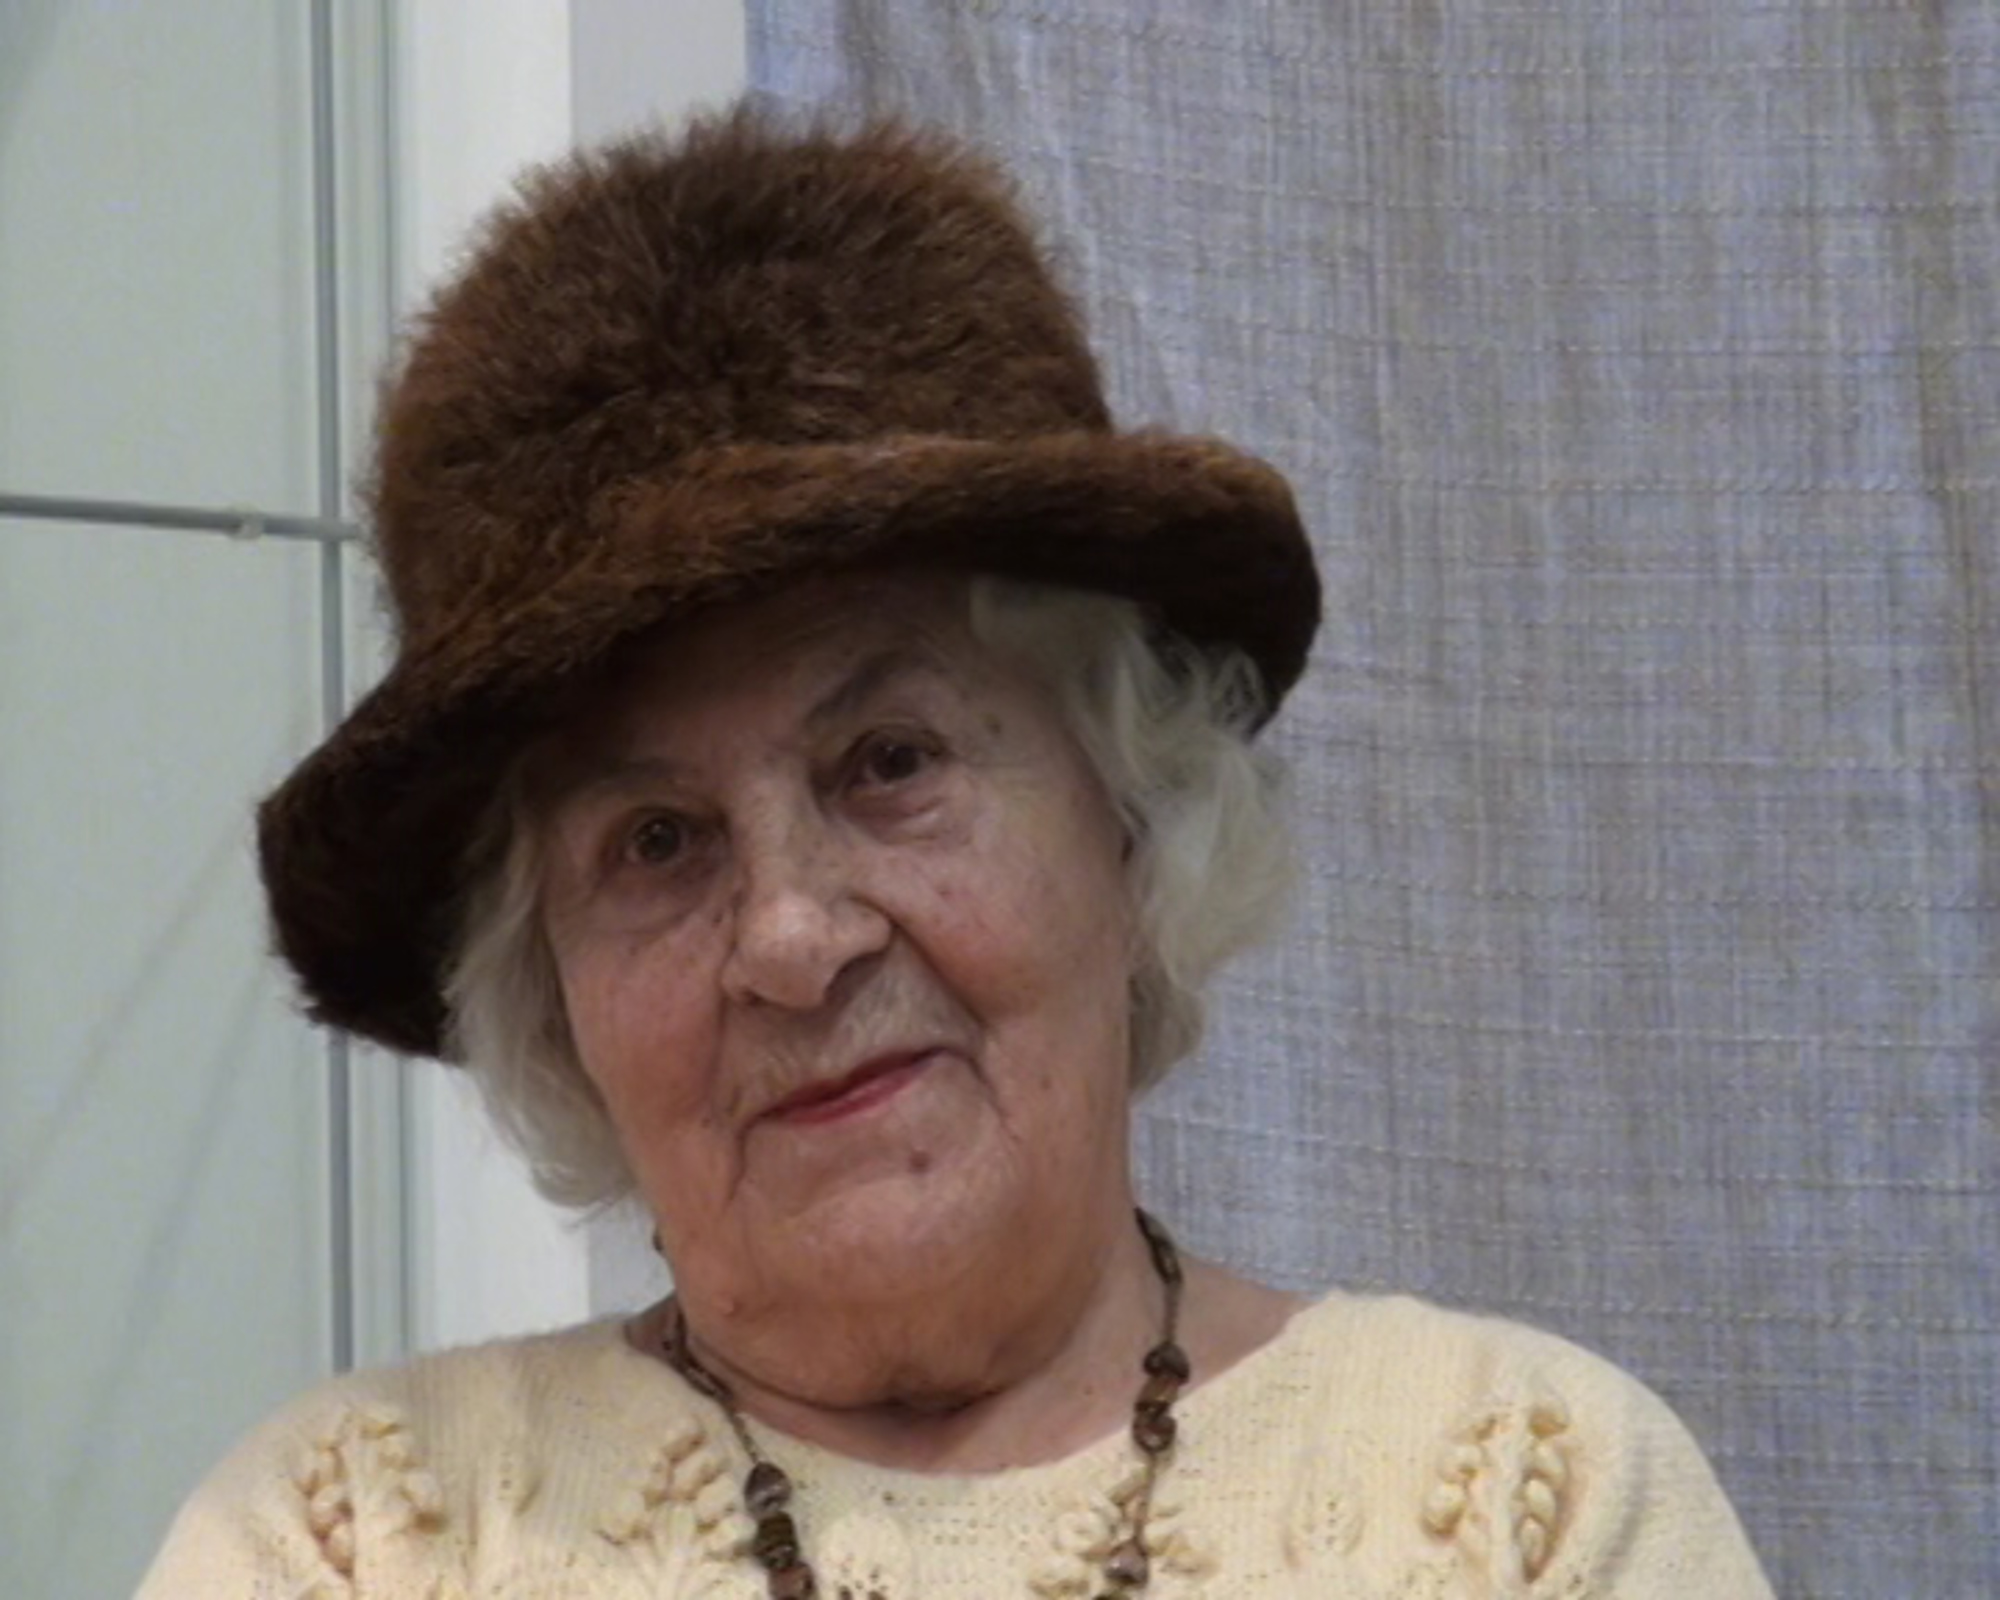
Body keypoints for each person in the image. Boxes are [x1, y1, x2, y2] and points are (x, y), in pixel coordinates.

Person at [138, 108, 1772, 1598]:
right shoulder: (354, 1537)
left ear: (1129, 813)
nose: (792, 937)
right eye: (656, 842)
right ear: (548, 995)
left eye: (891, 763)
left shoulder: (1525, 1498)